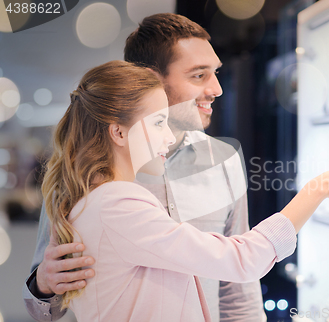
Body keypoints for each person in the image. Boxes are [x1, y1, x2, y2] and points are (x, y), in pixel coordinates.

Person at [41, 60, 329, 321]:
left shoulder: (97, 200)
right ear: (118, 133)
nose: (167, 136)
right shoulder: (118, 202)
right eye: (159, 122)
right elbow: (241, 259)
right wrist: (316, 190)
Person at [23, 13, 264, 322]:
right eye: (199, 75)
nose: (216, 88)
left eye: (215, 73)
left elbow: (238, 291)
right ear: (151, 78)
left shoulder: (223, 161)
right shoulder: (83, 175)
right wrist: (43, 285)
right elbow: (43, 310)